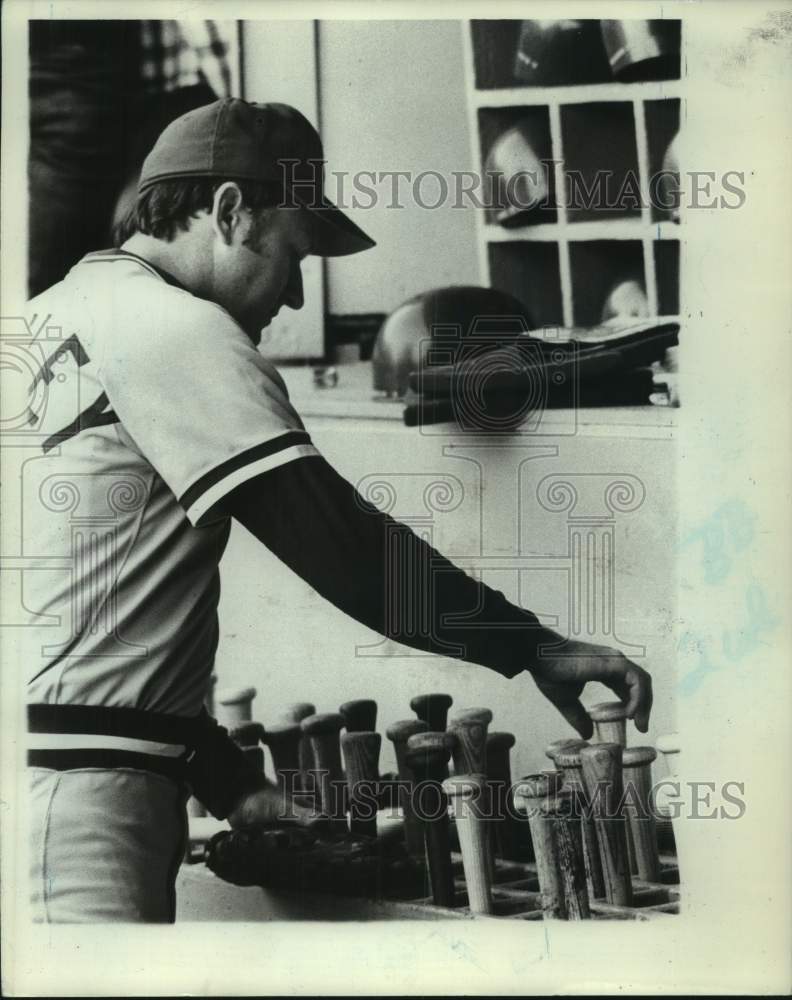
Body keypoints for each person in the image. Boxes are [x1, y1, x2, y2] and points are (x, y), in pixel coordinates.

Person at [24, 98, 652, 923]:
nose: (292, 295)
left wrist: (232, 786)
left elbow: (78, 625)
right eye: (295, 254)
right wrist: (533, 645)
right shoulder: (178, 331)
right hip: (79, 810)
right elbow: (341, 547)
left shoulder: (37, 321)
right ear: (228, 213)